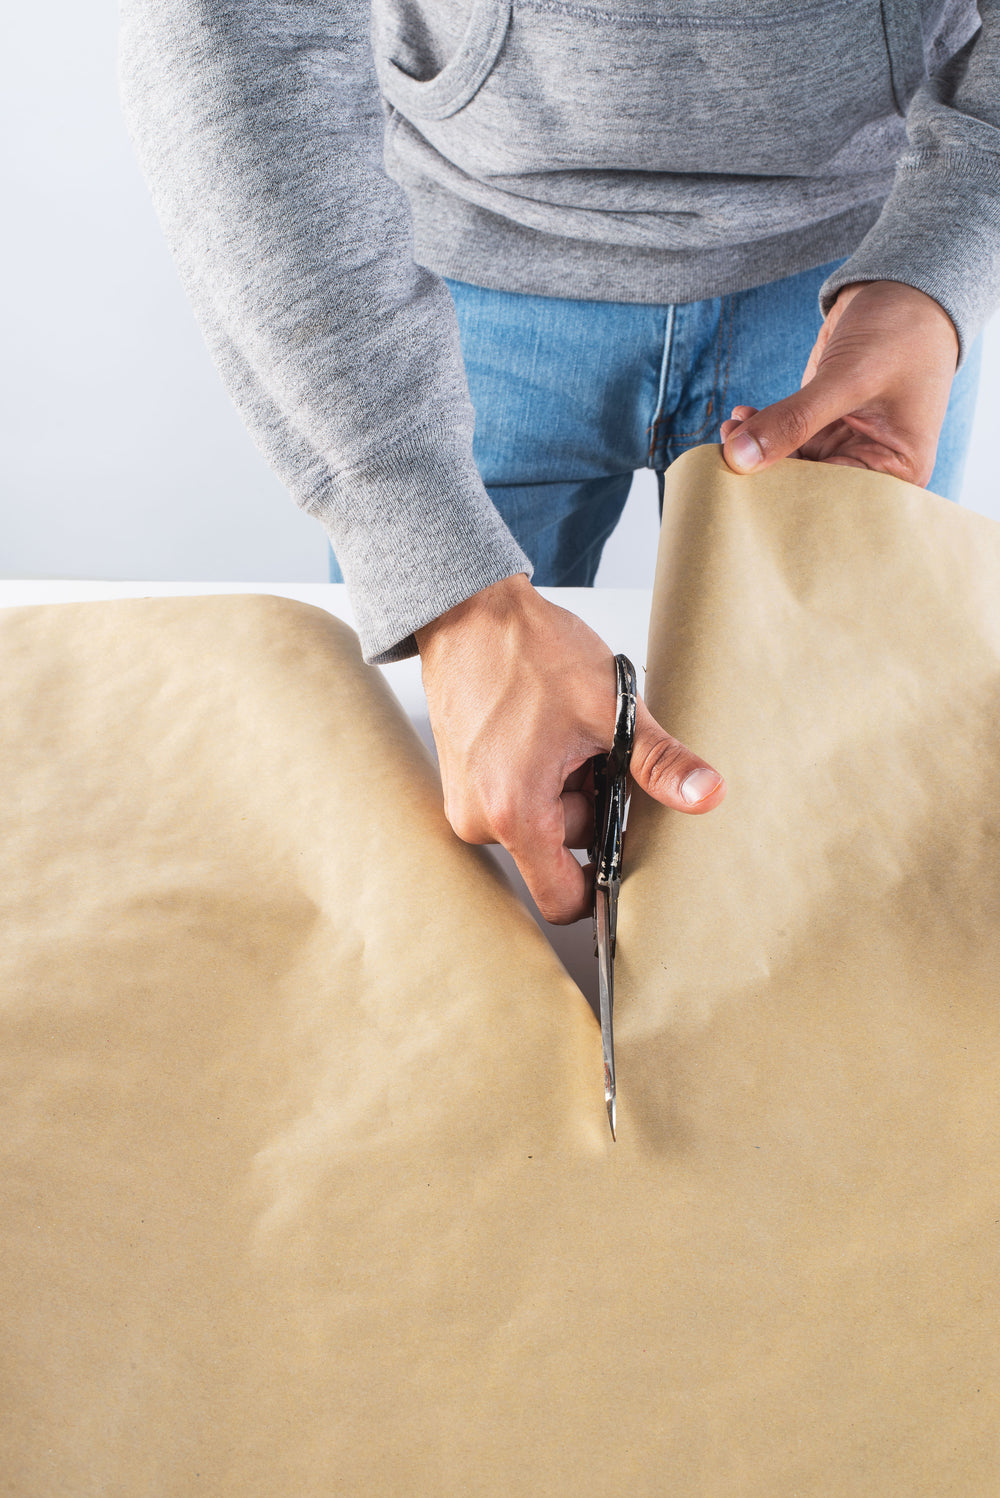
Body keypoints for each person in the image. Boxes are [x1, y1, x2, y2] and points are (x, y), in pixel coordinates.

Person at [119, 0, 999, 924]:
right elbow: (227, 24)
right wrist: (440, 574)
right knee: (444, 836)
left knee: (846, 821)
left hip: (870, 283)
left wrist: (940, 262)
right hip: (453, 292)